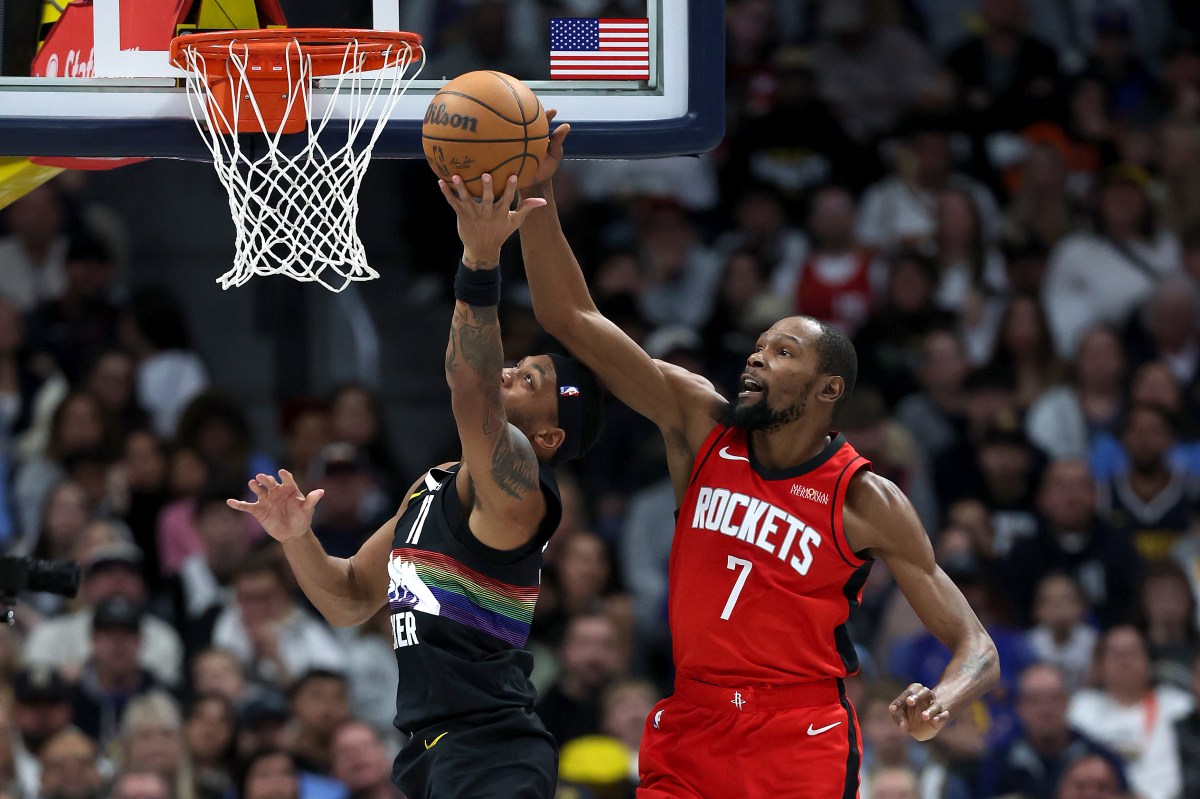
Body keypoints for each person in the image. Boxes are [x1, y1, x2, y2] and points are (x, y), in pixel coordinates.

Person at [518, 121, 998, 798]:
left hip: (799, 735)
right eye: (758, 345)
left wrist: (942, 700)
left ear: (827, 389)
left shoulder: (864, 497)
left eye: (782, 352)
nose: (756, 356)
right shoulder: (699, 424)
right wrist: (538, 193)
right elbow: (569, 316)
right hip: (693, 718)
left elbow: (977, 646)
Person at [228, 171, 604, 799]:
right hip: (431, 754)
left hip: (493, 752)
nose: (509, 372)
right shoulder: (433, 485)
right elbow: (350, 599)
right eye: (516, 365)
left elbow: (470, 386)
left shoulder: (523, 492)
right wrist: (296, 539)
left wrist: (479, 257)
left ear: (549, 436)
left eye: (530, 380)